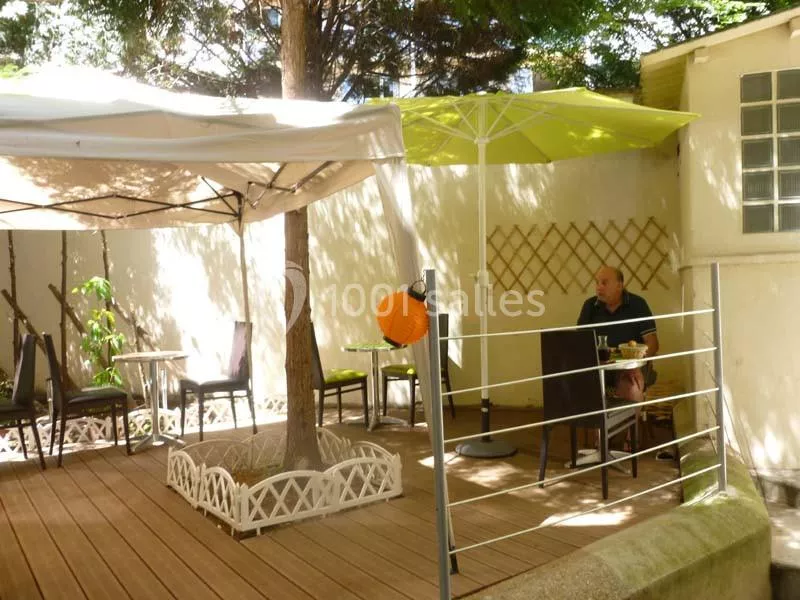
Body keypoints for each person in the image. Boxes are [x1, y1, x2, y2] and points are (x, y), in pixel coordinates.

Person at [577, 265, 659, 402]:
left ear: (619, 286)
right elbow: (580, 342)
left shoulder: (637, 305)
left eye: (604, 283)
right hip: (598, 367)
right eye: (597, 283)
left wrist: (635, 365)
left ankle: (630, 416)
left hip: (629, 367)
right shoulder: (590, 306)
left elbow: (653, 344)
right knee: (571, 386)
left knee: (631, 387)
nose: (599, 287)